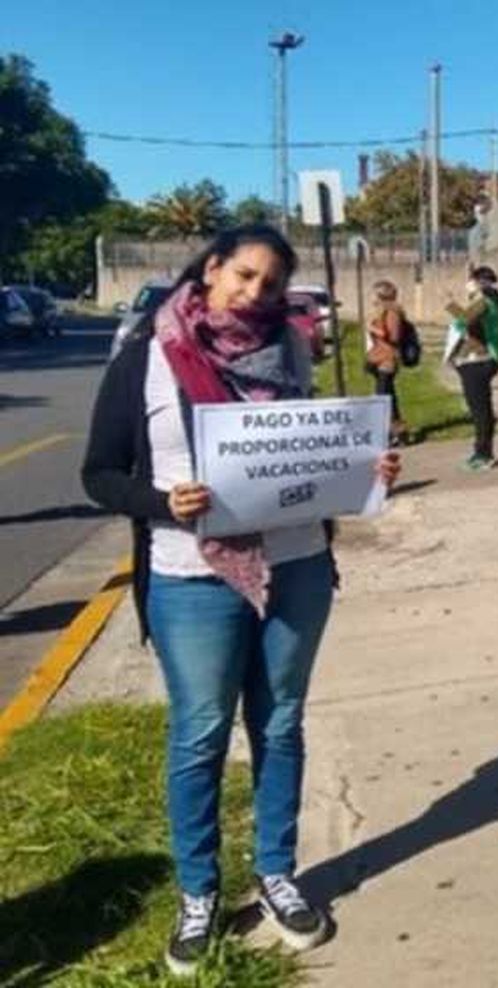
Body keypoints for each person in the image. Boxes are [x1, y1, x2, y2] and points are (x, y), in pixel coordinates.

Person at [79, 225, 401, 976]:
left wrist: (366, 466)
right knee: (200, 736)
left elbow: (312, 451)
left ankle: (276, 872)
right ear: (213, 268)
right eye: (244, 276)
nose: (254, 293)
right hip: (192, 576)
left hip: (298, 566)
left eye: (269, 283)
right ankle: (198, 892)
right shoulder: (146, 359)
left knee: (281, 724)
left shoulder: (290, 351)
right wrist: (163, 500)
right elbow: (98, 474)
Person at [445, 266, 498, 471]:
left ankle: (483, 454)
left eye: (472, 282)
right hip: (474, 361)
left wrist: (450, 303)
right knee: (479, 408)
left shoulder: (486, 301)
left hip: (481, 361)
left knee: (480, 410)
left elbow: (466, 318)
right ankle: (481, 451)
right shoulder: (485, 300)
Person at [366, 279, 409, 446]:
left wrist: (372, 328)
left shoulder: (392, 312)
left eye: (375, 294)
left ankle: (394, 433)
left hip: (388, 360)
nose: (372, 298)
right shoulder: (381, 311)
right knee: (387, 398)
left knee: (384, 398)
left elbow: (393, 336)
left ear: (382, 295)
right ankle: (397, 432)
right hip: (380, 359)